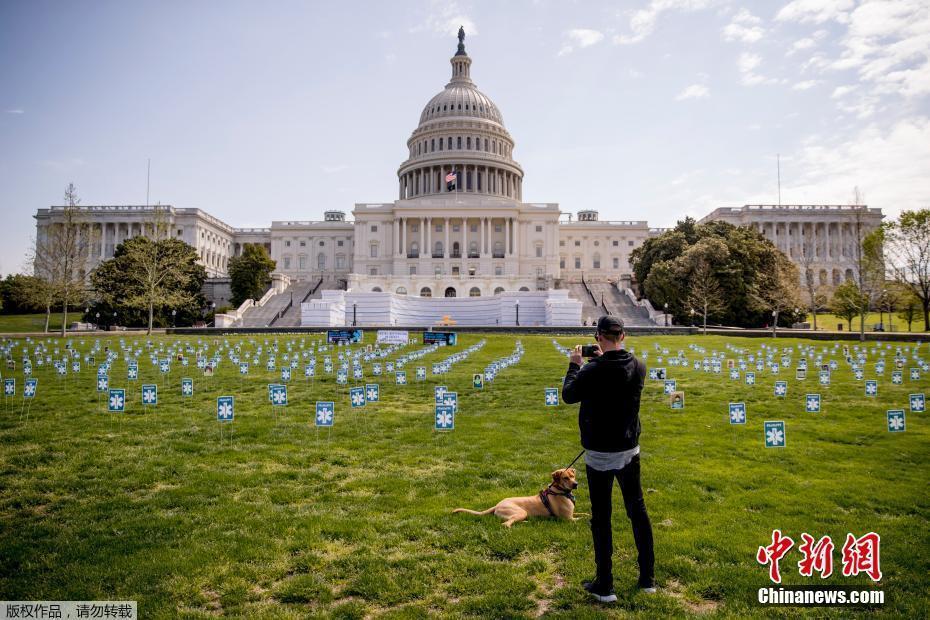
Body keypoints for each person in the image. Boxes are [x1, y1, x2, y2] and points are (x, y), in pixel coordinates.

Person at [562, 315, 656, 602]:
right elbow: (617, 374)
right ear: (623, 336)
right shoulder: (638, 366)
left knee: (602, 518)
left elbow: (568, 395)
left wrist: (574, 366)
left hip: (600, 453)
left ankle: (606, 585)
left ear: (598, 338)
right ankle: (647, 579)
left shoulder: (591, 370)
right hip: (629, 449)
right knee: (637, 512)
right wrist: (600, 361)